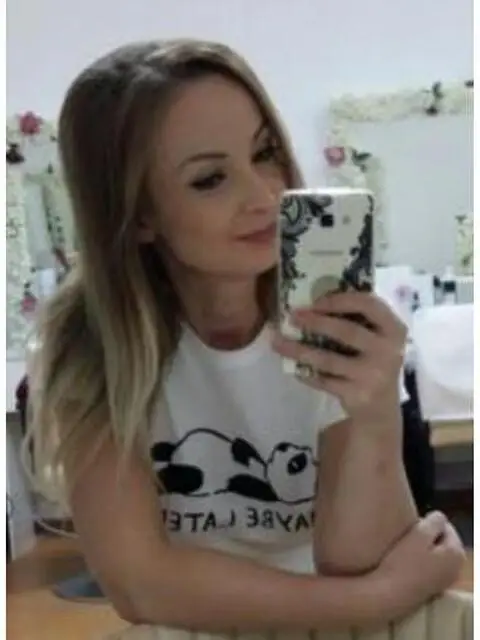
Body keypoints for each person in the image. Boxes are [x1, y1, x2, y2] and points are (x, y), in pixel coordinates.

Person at [26, 39, 464, 633]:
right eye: (210, 179)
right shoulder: (90, 344)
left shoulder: (333, 317)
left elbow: (353, 563)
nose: (265, 196)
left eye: (266, 153)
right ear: (139, 215)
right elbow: (140, 586)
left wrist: (375, 416)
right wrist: (377, 600)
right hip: (198, 623)